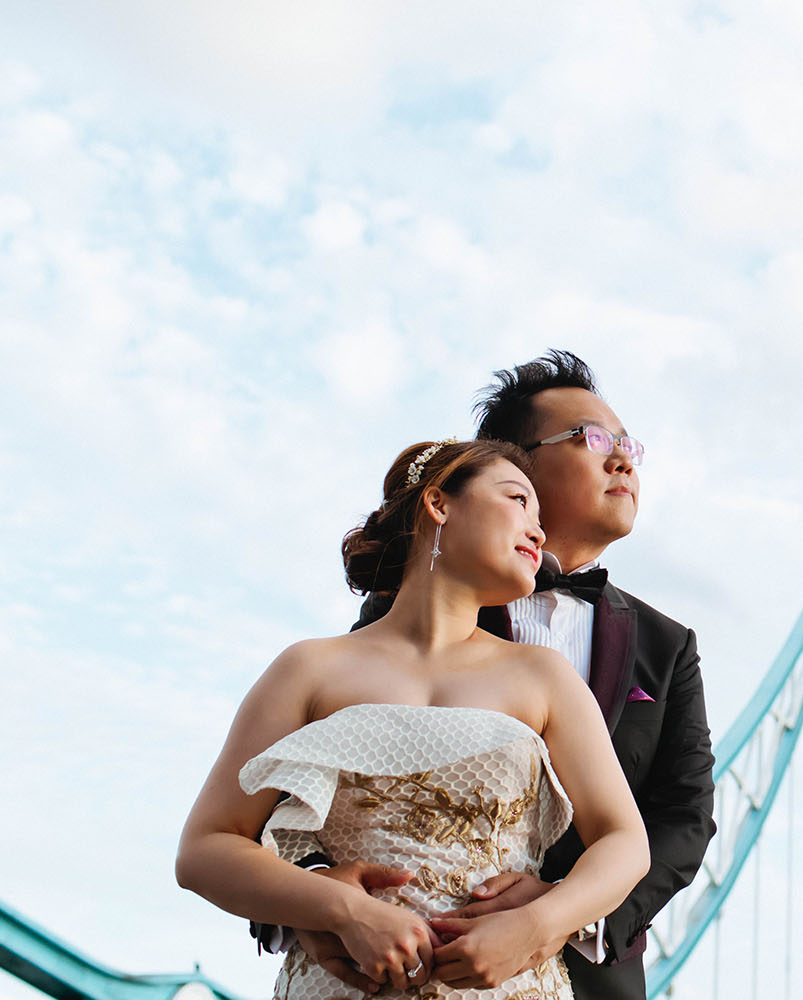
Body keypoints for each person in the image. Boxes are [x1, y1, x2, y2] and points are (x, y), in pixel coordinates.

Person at [289, 352, 717, 1000]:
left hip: (588, 979)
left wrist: (564, 916)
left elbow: (683, 818)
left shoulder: (668, 645)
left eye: (629, 445)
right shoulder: (413, 607)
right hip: (392, 966)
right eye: (592, 439)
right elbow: (314, 775)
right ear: (511, 462)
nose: (624, 459)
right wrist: (317, 895)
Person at [178, 438, 650, 1000]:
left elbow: (625, 842)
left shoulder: (544, 677)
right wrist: (342, 908)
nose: (539, 531)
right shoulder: (308, 668)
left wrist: (535, 926)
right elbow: (205, 847)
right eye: (518, 499)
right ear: (438, 504)